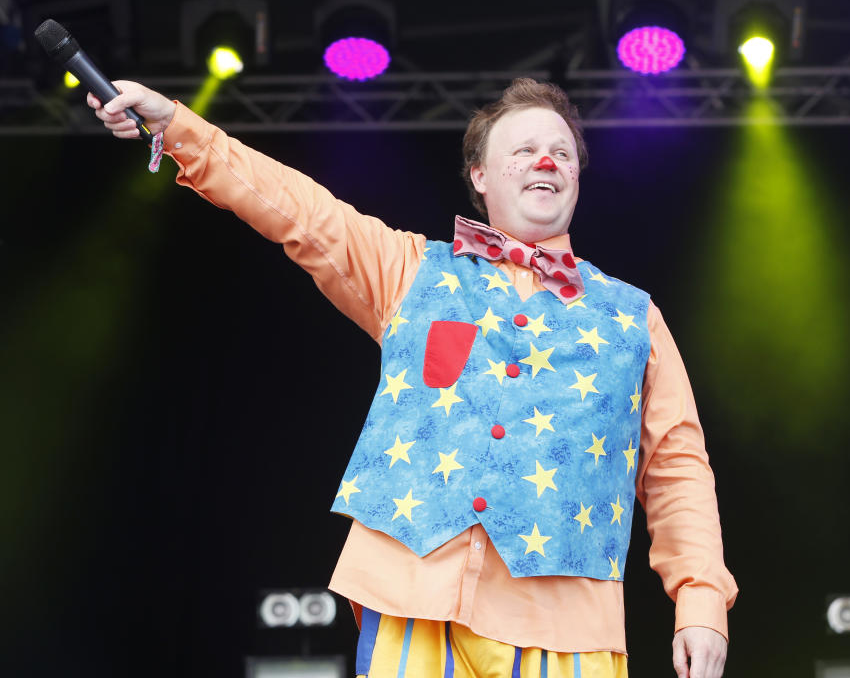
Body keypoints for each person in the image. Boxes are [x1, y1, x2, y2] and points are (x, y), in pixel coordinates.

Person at [88, 77, 737, 678]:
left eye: (561, 152)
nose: (547, 160)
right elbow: (302, 213)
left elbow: (677, 466)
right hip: (412, 594)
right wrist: (177, 126)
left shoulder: (631, 316)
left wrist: (702, 602)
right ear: (479, 174)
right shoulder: (412, 271)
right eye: (526, 149)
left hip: (566, 621)